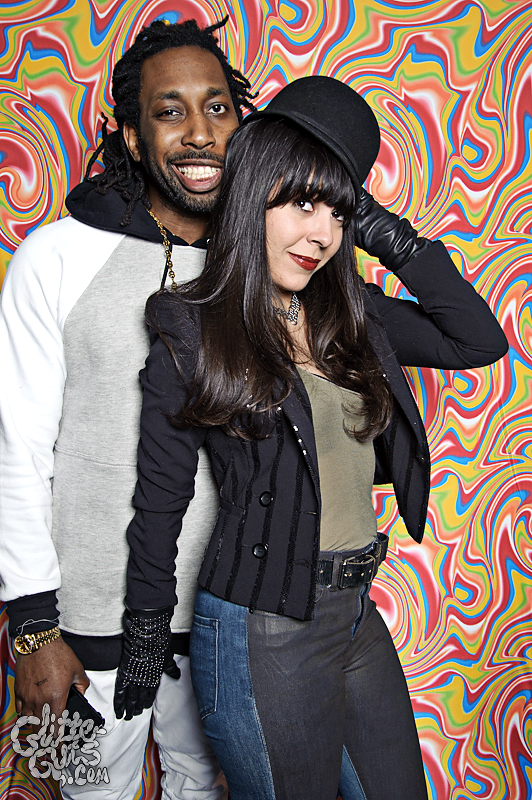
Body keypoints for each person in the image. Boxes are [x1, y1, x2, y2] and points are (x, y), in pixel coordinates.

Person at [0, 18, 435, 800]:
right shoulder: (55, 257)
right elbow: (15, 447)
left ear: (247, 130)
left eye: (219, 109)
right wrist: (32, 628)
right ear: (132, 137)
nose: (200, 132)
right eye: (169, 111)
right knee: (80, 787)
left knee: (204, 786)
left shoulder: (273, 259)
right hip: (84, 621)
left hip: (229, 617)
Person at [115, 77, 508, 800]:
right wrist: (145, 628)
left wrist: (385, 231)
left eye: (339, 211)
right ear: (253, 193)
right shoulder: (192, 328)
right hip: (261, 627)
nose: (322, 234)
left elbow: (478, 340)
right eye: (301, 203)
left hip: (353, 612)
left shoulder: (351, 316)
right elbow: (160, 498)